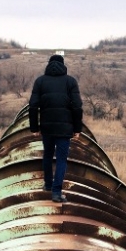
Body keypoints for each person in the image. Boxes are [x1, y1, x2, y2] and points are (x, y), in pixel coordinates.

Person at [29, 53, 82, 203]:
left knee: (47, 155)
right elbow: (77, 106)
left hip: (47, 126)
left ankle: (47, 184)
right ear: (63, 65)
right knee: (61, 159)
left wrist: (34, 128)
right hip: (65, 128)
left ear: (49, 65)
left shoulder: (40, 81)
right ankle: (57, 193)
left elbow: (33, 106)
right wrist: (77, 129)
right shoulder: (70, 81)